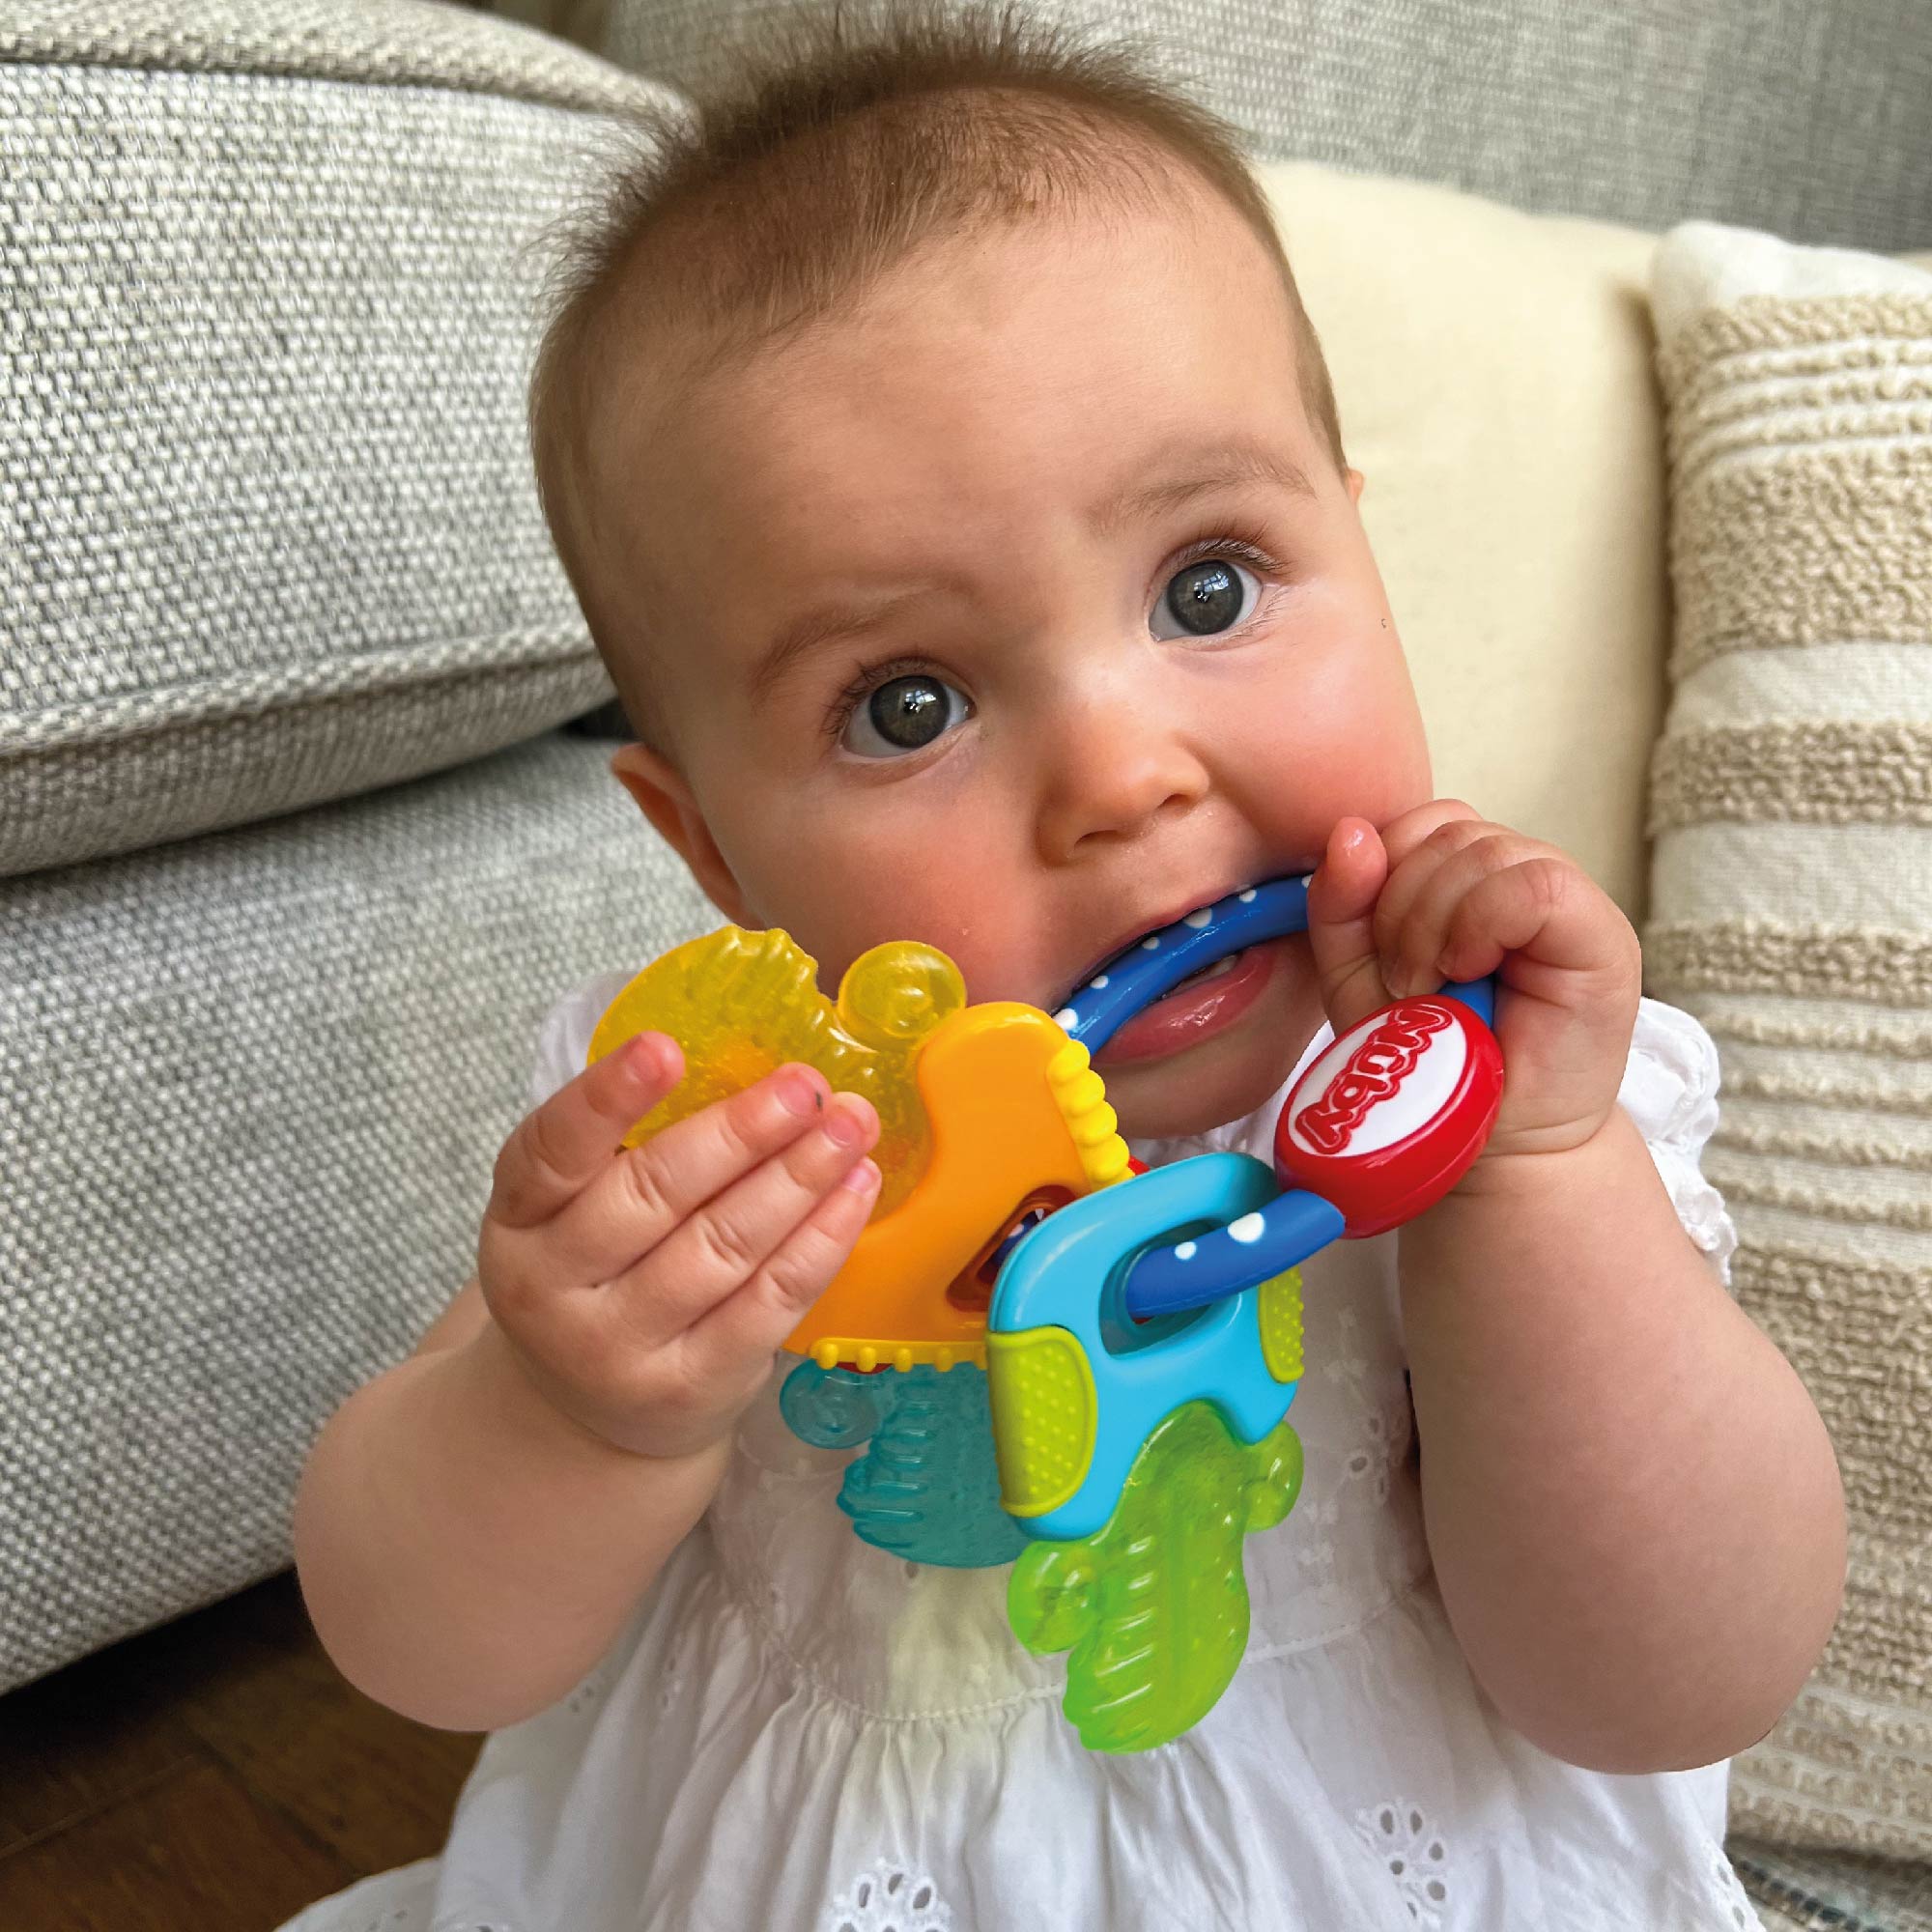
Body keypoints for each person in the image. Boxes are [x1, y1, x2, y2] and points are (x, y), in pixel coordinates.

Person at [280, 6, 1846, 1926]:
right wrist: (571, 1414)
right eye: (908, 701)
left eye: (1207, 587)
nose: (1118, 775)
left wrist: (1525, 1188)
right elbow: (420, 1648)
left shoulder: (1510, 1083)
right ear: (714, 854)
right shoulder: (729, 1137)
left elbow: (1677, 1678)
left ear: (1363, 566)